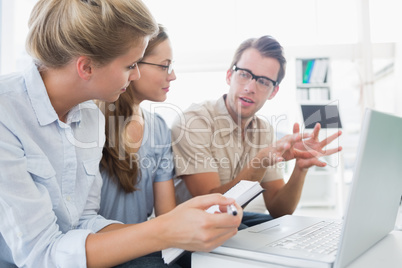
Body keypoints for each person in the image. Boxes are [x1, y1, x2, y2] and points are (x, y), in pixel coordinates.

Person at [0, 1, 242, 268]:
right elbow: (41, 254)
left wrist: (174, 224)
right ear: (87, 67)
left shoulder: (89, 116)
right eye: (130, 65)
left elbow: (84, 221)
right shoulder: (6, 115)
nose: (136, 74)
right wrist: (164, 230)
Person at [171, 35, 342, 229]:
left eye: (263, 81)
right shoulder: (193, 122)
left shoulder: (264, 131)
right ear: (229, 75)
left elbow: (279, 210)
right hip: (191, 226)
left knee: (296, 228)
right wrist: (260, 160)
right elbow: (213, 207)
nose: (250, 88)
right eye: (244, 74)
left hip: (230, 217)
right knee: (245, 231)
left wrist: (300, 169)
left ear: (274, 92)